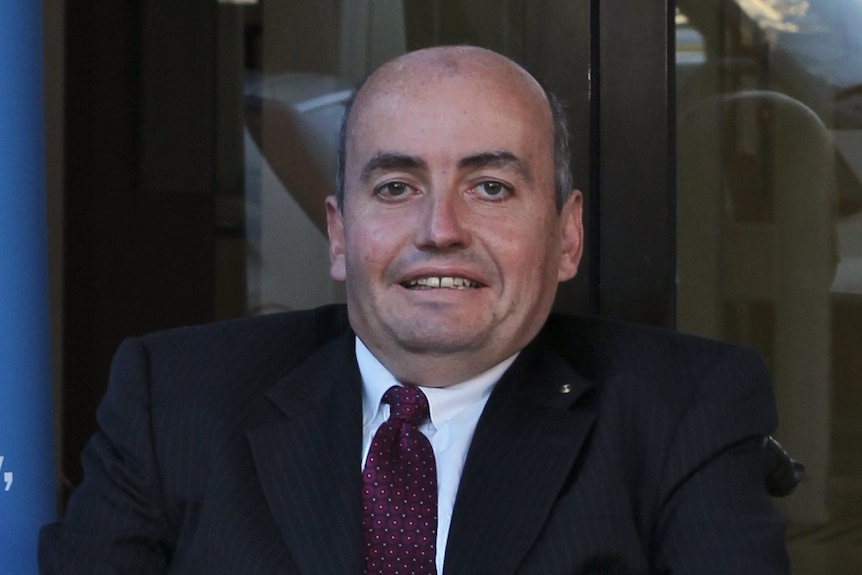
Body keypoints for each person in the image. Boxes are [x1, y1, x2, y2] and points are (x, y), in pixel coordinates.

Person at [39, 45, 790, 574]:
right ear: (339, 233)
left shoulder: (685, 410)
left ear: (567, 235)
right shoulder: (172, 398)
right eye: (396, 187)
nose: (440, 229)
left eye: (490, 186)